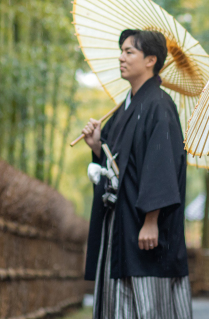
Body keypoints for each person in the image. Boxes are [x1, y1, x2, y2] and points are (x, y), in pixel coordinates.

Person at [81, 29, 192, 319]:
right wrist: (97, 146)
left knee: (148, 303)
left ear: (150, 60)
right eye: (122, 50)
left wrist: (151, 220)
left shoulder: (159, 105)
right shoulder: (124, 108)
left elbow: (161, 164)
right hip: (120, 222)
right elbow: (116, 163)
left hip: (144, 224)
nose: (121, 57)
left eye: (129, 51)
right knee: (119, 302)